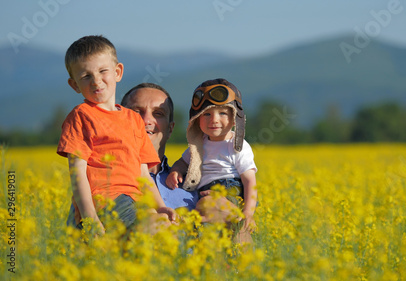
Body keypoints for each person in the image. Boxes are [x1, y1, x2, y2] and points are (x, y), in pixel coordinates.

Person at [57, 35, 176, 234]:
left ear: (118, 72)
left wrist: (160, 206)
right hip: (105, 201)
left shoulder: (133, 119)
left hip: (135, 200)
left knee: (165, 228)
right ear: (75, 85)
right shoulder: (81, 116)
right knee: (156, 231)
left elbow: (143, 174)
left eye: (103, 71)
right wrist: (90, 219)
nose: (96, 81)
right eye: (86, 76)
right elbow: (77, 174)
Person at [166, 78, 257, 244]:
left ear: (235, 117)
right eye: (206, 114)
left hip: (231, 192)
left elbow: (250, 181)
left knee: (236, 230)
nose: (214, 119)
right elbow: (182, 162)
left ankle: (245, 263)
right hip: (206, 194)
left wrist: (248, 213)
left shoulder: (237, 146)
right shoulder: (199, 145)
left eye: (222, 113)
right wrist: (175, 171)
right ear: (196, 118)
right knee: (219, 237)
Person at [121, 83, 199, 211]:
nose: (146, 120)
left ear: (170, 129)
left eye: (158, 113)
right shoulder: (99, 182)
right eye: (136, 112)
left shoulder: (193, 185)